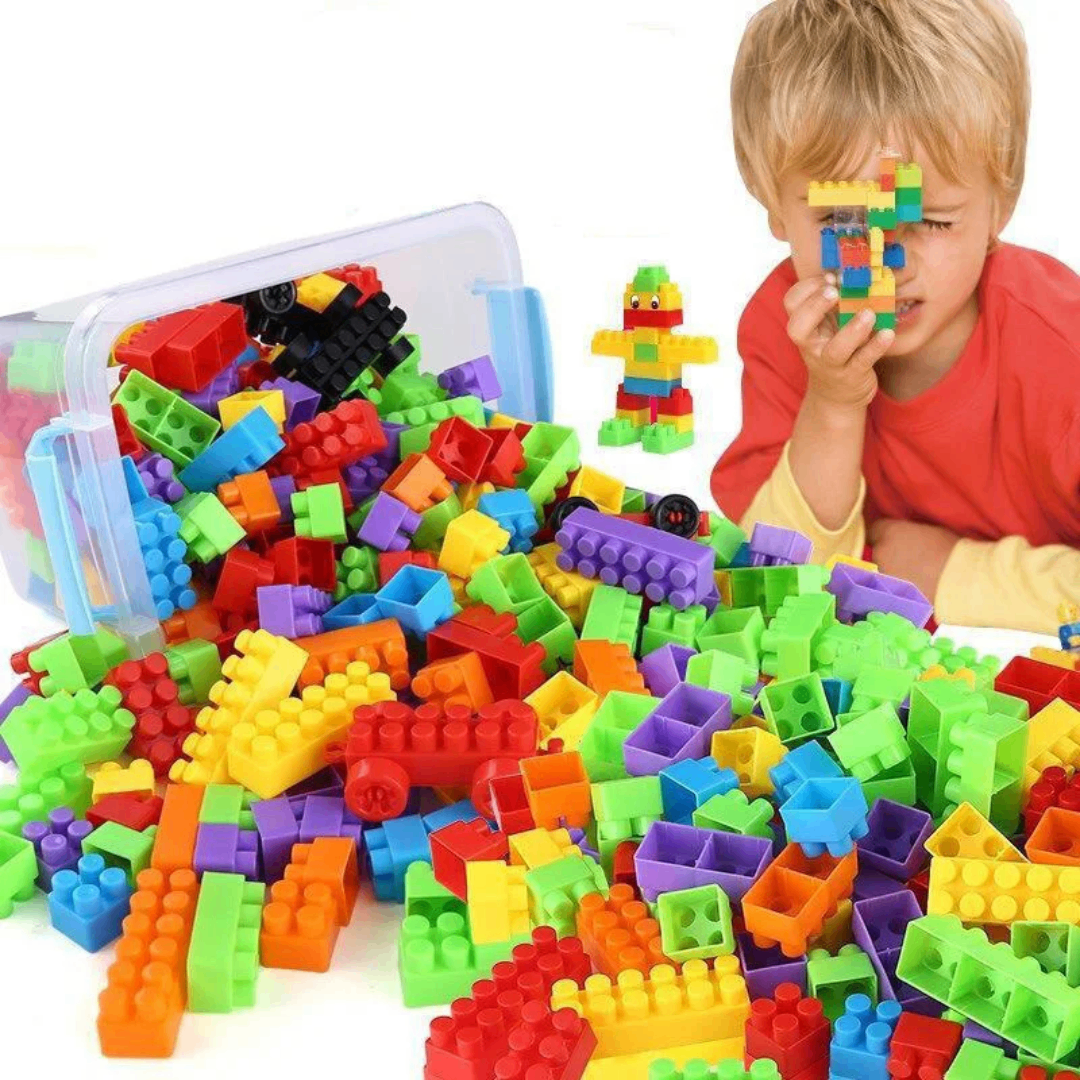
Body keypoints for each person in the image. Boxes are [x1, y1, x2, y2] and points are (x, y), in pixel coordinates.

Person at [711, 0, 1080, 632]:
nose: (888, 261)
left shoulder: (1061, 347)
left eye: (931, 220)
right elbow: (777, 582)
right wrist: (833, 401)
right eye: (844, 219)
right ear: (772, 203)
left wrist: (952, 574)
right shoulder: (788, 329)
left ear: (1002, 204)